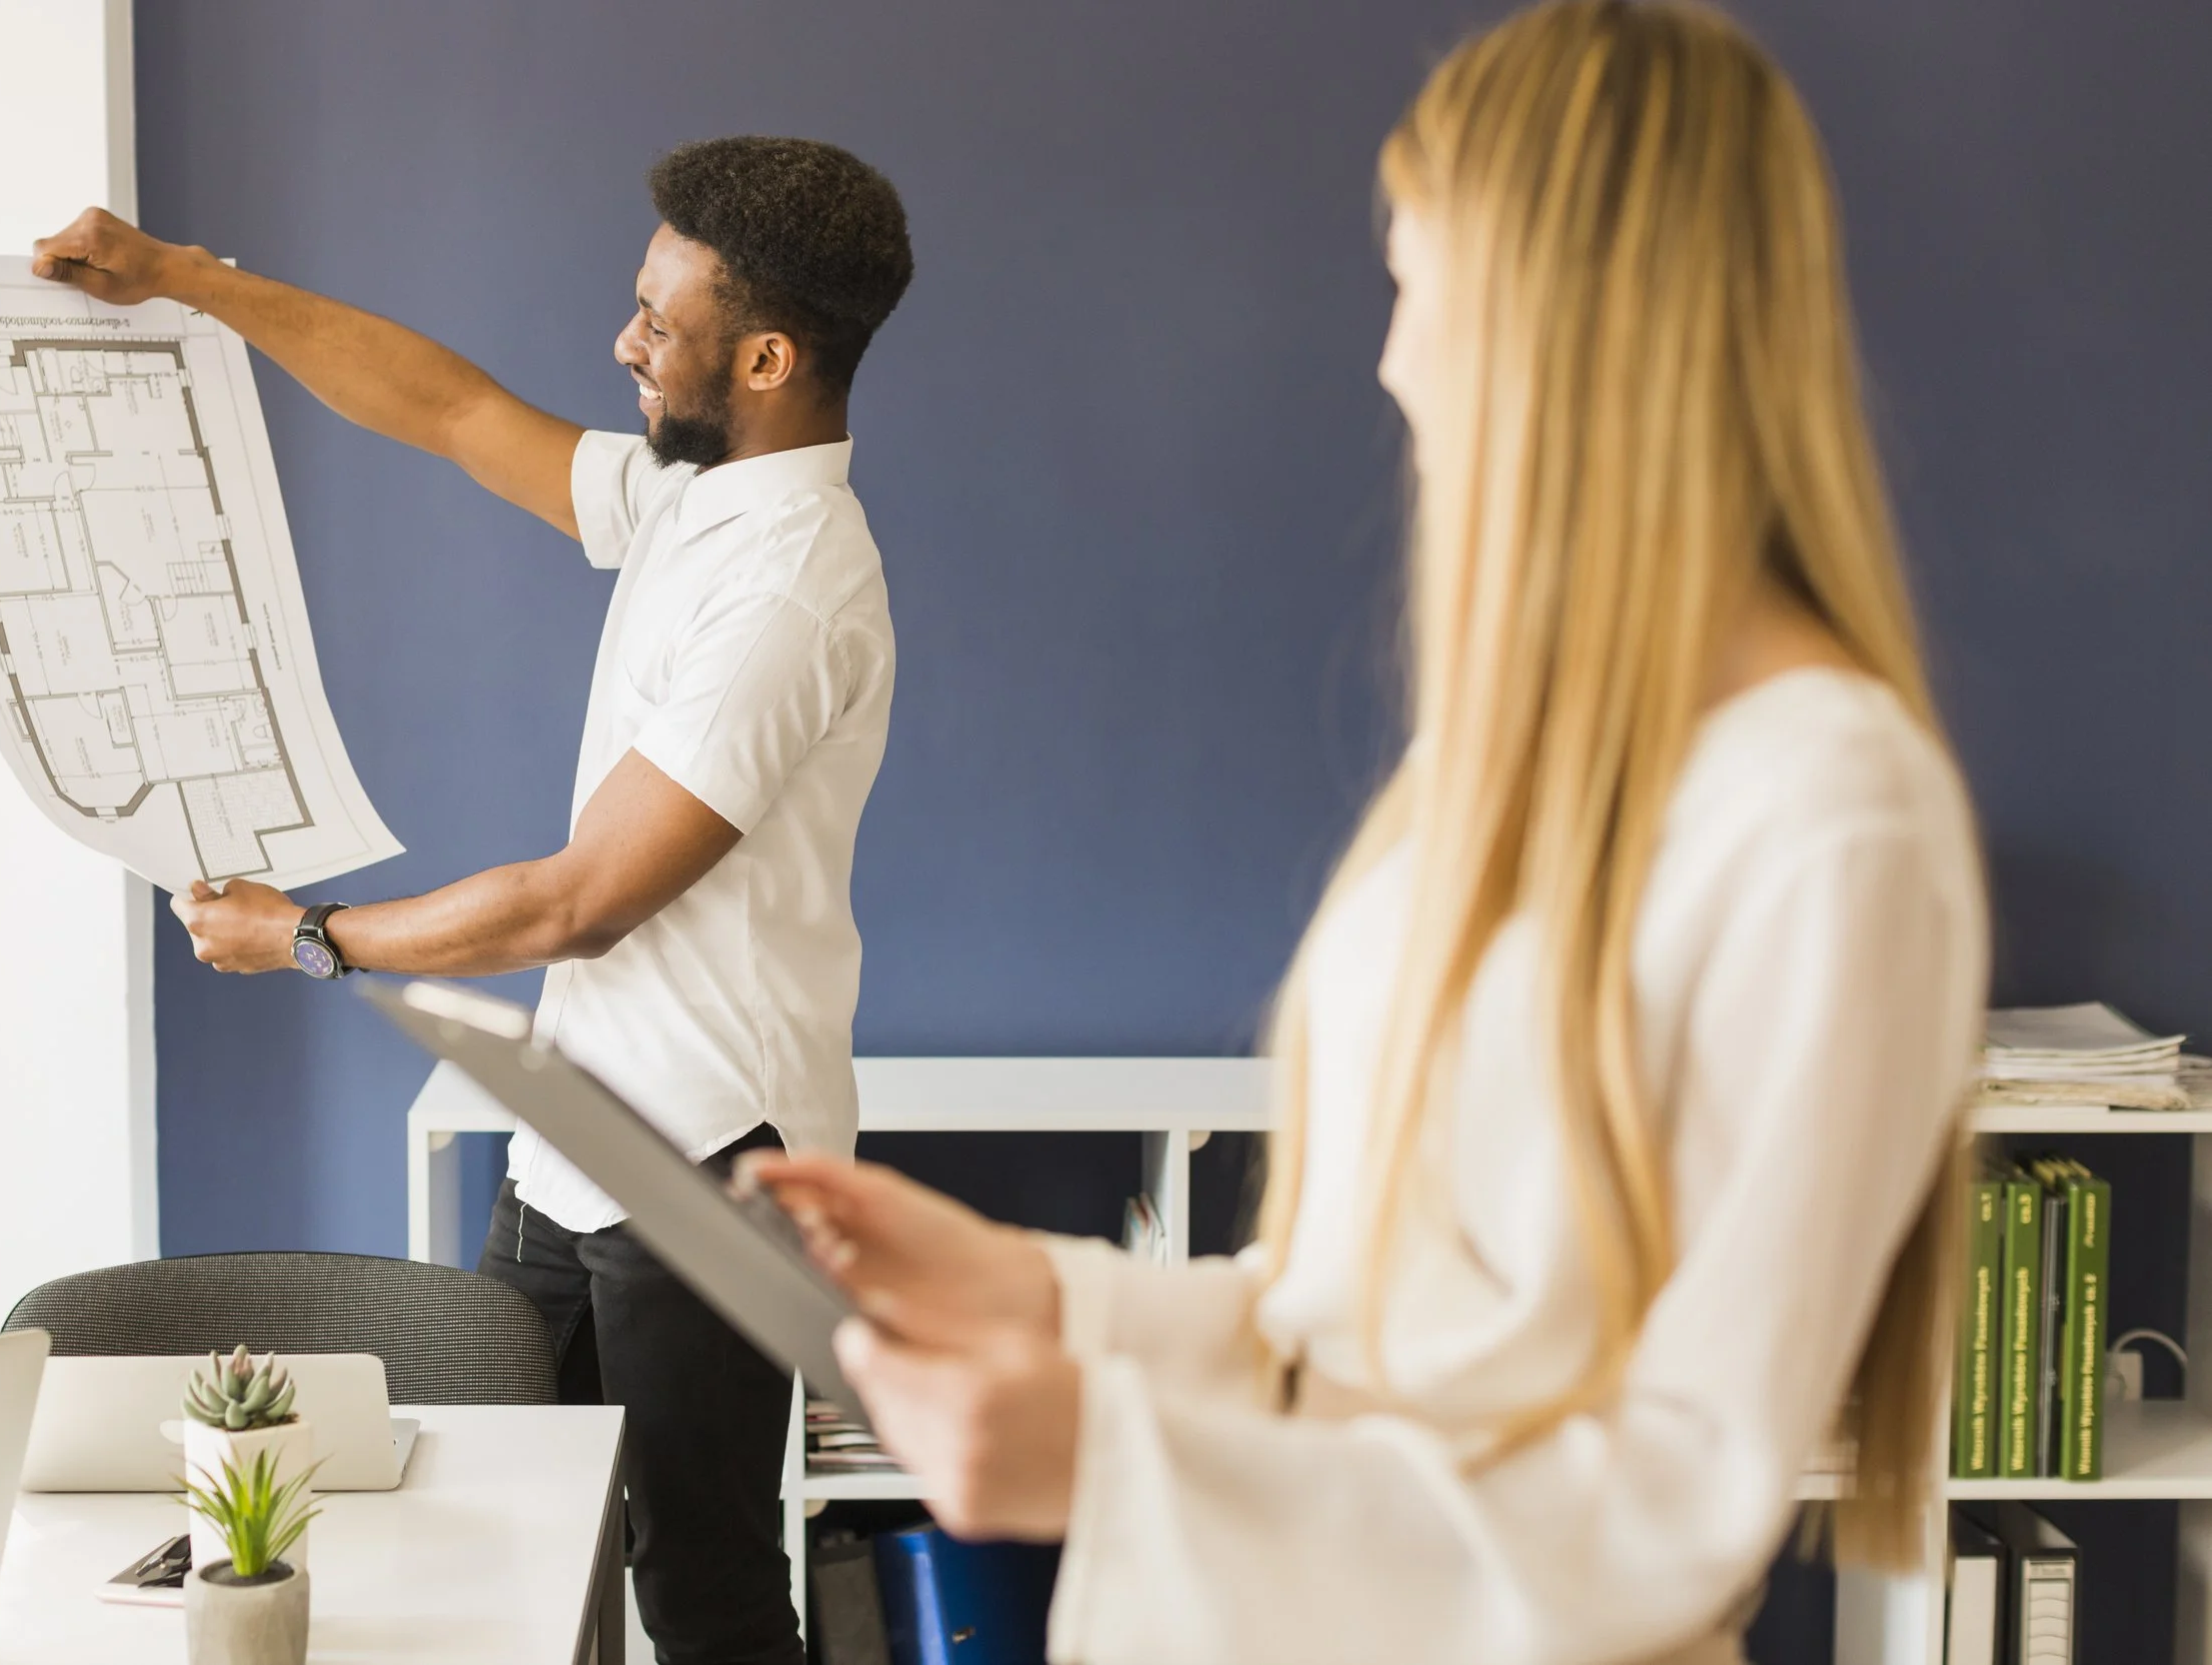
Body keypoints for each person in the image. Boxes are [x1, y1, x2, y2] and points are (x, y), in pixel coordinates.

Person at [745, 6, 1987, 1662]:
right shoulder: (1508, 768)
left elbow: (1669, 1507)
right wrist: (1043, 1295)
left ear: (1563, 320)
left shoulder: (1834, 823)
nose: (1394, 361)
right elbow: (1361, 1337)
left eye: (1417, 286)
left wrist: (1113, 1458)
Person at [32, 135, 912, 1665]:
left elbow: (579, 901)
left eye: (661, 318)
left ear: (766, 357)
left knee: (698, 1586)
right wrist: (185, 281)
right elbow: (446, 409)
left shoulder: (791, 586)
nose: (623, 341)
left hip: (707, 1164)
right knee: (498, 1522)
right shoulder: (692, 498)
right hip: (582, 1136)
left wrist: (312, 935)